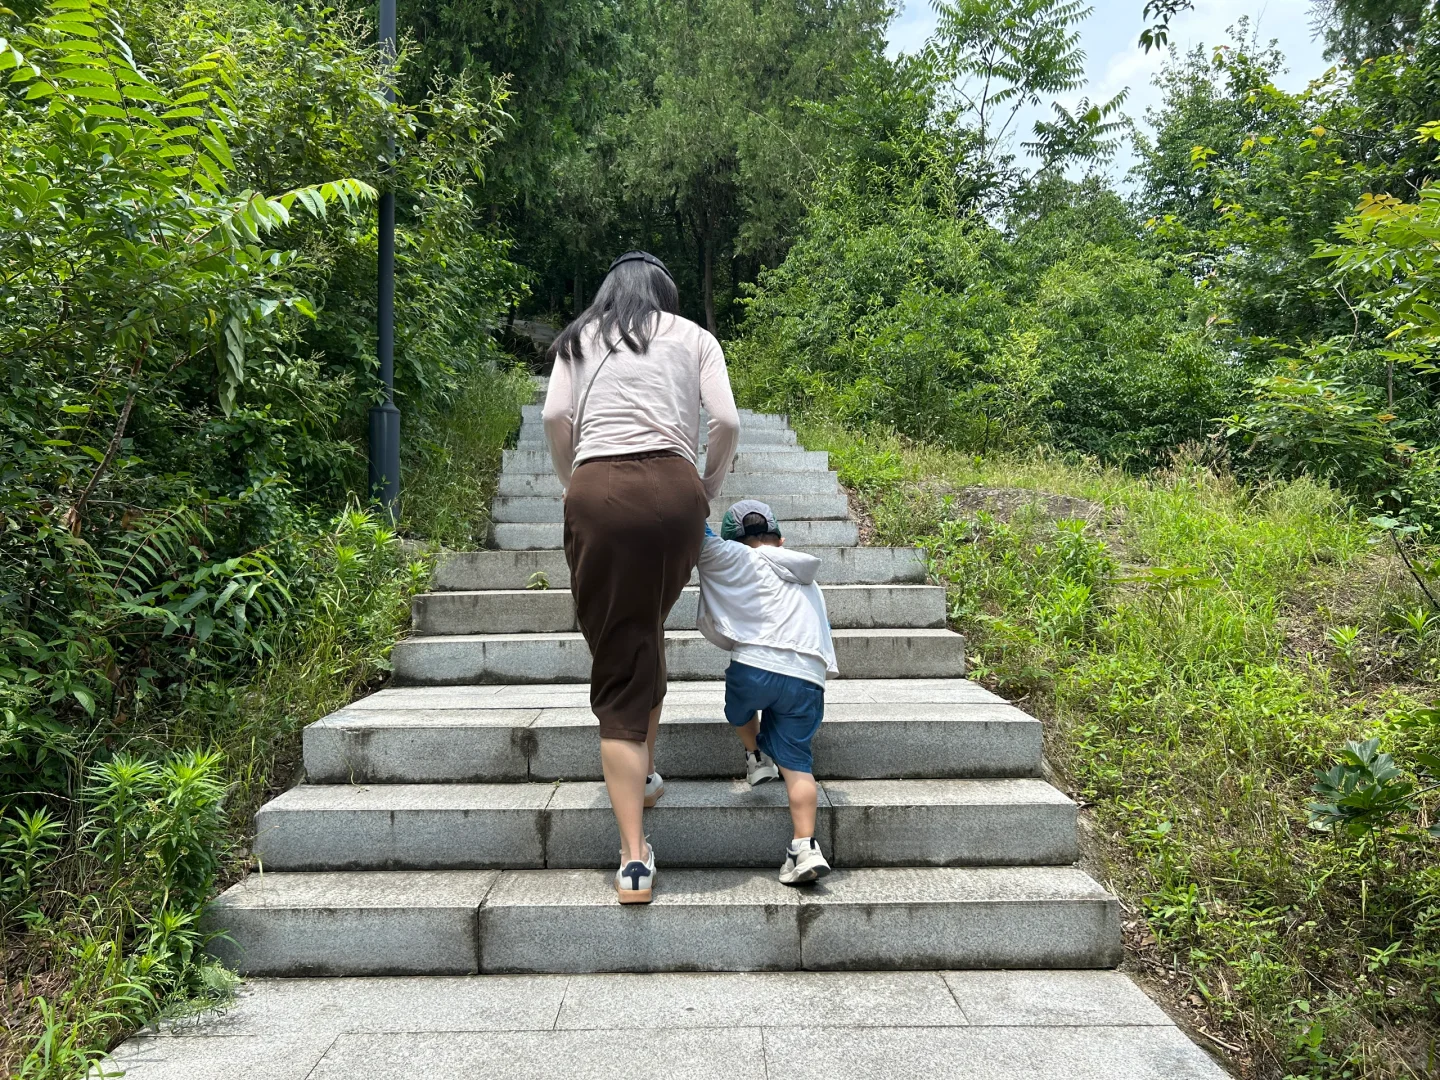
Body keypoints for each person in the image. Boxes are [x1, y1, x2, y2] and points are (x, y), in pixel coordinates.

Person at [542, 251, 741, 905]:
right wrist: (704, 487)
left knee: (620, 657)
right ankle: (646, 771)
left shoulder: (579, 337)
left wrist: (574, 481)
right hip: (676, 492)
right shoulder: (694, 336)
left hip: (600, 489)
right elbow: (727, 421)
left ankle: (633, 859)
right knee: (643, 628)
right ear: (665, 293)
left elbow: (554, 418)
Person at [694, 500, 838, 884]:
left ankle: (756, 756)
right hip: (808, 675)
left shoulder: (732, 555)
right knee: (798, 764)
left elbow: (693, 524)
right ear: (781, 540)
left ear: (732, 541)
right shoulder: (807, 575)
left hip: (755, 665)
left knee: (739, 709)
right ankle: (805, 846)